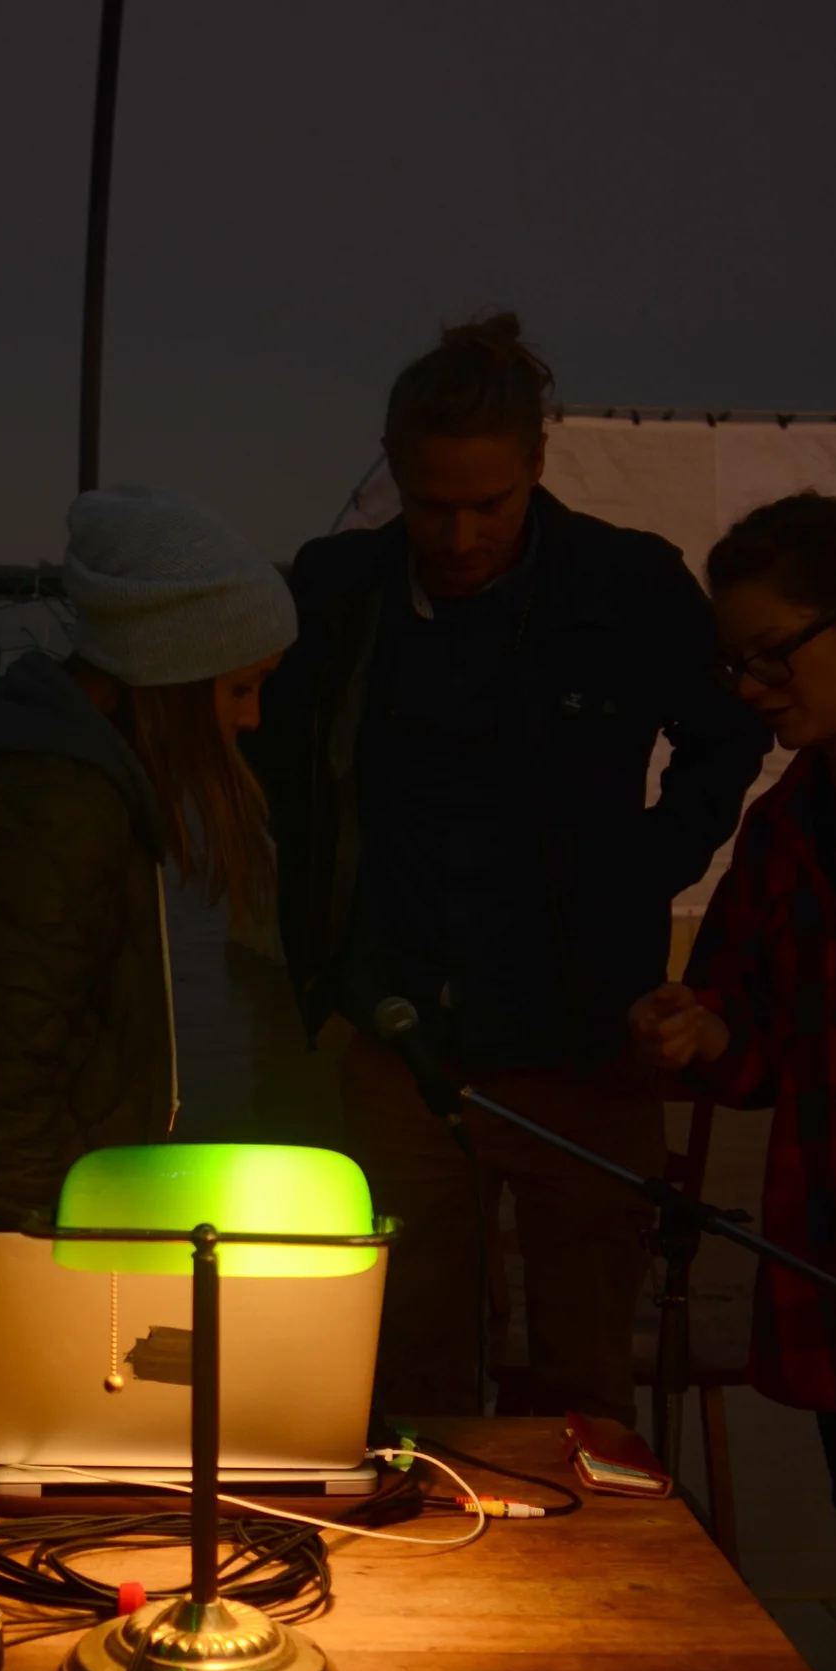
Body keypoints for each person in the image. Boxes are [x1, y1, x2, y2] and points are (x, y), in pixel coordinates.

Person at [250, 313, 767, 1422]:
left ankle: (582, 1583)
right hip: (402, 1057)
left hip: (587, 1051)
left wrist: (648, 865)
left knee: (585, 1382)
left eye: (490, 504)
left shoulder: (628, 585)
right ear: (393, 469)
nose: (462, 534)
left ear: (539, 464)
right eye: (435, 505)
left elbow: (729, 734)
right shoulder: (335, 595)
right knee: (398, 1382)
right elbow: (270, 762)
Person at [0, 483, 296, 1404]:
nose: (250, 720)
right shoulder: (56, 812)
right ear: (172, 673)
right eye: (241, 688)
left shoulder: (67, 785)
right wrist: (91, 1295)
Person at [630, 491, 836, 1503]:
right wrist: (706, 1033)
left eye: (774, 653)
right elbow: (755, 1049)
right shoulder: (783, 827)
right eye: (735, 664)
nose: (752, 688)